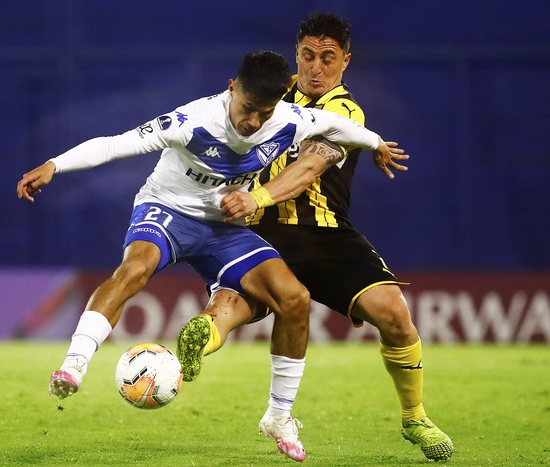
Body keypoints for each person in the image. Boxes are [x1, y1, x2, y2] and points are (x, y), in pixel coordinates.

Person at [16, 50, 405, 463]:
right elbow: (116, 145)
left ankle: (278, 416)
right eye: (248, 108)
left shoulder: (289, 119)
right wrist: (55, 165)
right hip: (167, 212)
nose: (252, 121)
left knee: (295, 299)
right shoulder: (193, 120)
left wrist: (378, 143)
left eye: (264, 112)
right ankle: (74, 363)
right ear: (232, 88)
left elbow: (339, 124)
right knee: (135, 268)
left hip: (224, 228)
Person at [175, 15, 454, 462]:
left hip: (324, 234)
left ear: (345, 61)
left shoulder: (344, 112)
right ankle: (190, 349)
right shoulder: (268, 92)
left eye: (328, 58)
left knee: (394, 313)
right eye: (308, 56)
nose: (316, 68)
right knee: (227, 308)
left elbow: (309, 168)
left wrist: (257, 196)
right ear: (297, 54)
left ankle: (414, 416)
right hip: (258, 231)